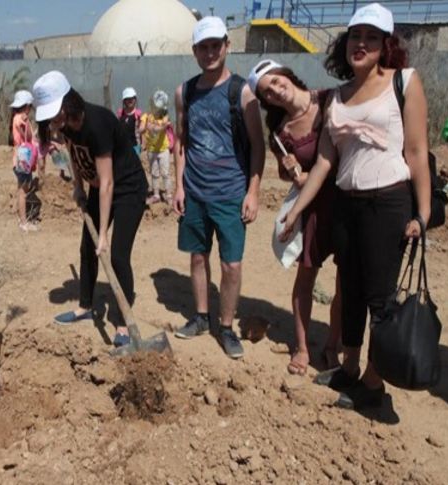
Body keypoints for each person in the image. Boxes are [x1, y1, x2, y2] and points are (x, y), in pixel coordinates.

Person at [279, 3, 431, 409]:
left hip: (388, 202)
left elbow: (417, 151)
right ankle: (348, 366)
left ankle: (374, 385)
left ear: (386, 44)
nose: (360, 44)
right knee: (351, 289)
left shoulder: (405, 82)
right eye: (355, 37)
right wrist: (294, 212)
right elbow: (326, 161)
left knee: (380, 297)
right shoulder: (338, 96)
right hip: (347, 203)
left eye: (371, 37)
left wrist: (422, 213)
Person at [171, 17, 265, 359]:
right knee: (198, 257)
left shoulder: (241, 92)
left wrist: (253, 191)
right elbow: (181, 142)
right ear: (195, 51)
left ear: (226, 46)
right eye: (203, 47)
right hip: (195, 192)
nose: (210, 52)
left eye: (215, 45)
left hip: (230, 194)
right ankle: (200, 317)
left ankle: (225, 327)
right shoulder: (185, 92)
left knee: (231, 266)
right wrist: (179, 185)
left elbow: (258, 145)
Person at [34, 71, 148, 348]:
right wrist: (78, 187)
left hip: (128, 189)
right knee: (87, 248)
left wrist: (105, 234)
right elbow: (73, 152)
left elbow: (108, 182)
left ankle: (122, 321)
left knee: (118, 255)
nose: (54, 120)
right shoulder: (65, 125)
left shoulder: (96, 122)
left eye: (57, 111)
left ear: (69, 100)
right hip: (98, 188)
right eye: (49, 115)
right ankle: (85, 306)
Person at [248, 59, 342, 373]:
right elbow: (289, 174)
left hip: (345, 204)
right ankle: (302, 348)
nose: (275, 92)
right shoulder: (280, 131)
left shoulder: (331, 99)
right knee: (306, 279)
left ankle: (332, 346)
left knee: (345, 283)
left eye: (275, 82)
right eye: (267, 94)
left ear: (286, 74)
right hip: (311, 211)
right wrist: (288, 172)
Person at [9, 90, 40, 231]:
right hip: (23, 159)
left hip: (21, 158)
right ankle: (23, 222)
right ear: (27, 106)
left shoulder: (16, 117)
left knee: (22, 188)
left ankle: (23, 219)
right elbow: (26, 135)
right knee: (23, 190)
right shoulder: (20, 118)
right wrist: (27, 123)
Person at [140, 90, 174, 206]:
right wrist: (147, 128)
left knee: (165, 173)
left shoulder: (165, 116)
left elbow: (160, 128)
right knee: (154, 173)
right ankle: (156, 195)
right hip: (151, 150)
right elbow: (145, 128)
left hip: (163, 149)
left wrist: (154, 127)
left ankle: (169, 195)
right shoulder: (146, 116)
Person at [118, 87, 143, 156]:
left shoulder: (138, 114)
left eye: (132, 98)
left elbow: (142, 130)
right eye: (127, 99)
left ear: (135, 99)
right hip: (123, 146)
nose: (130, 101)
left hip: (135, 146)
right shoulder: (120, 113)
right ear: (124, 101)